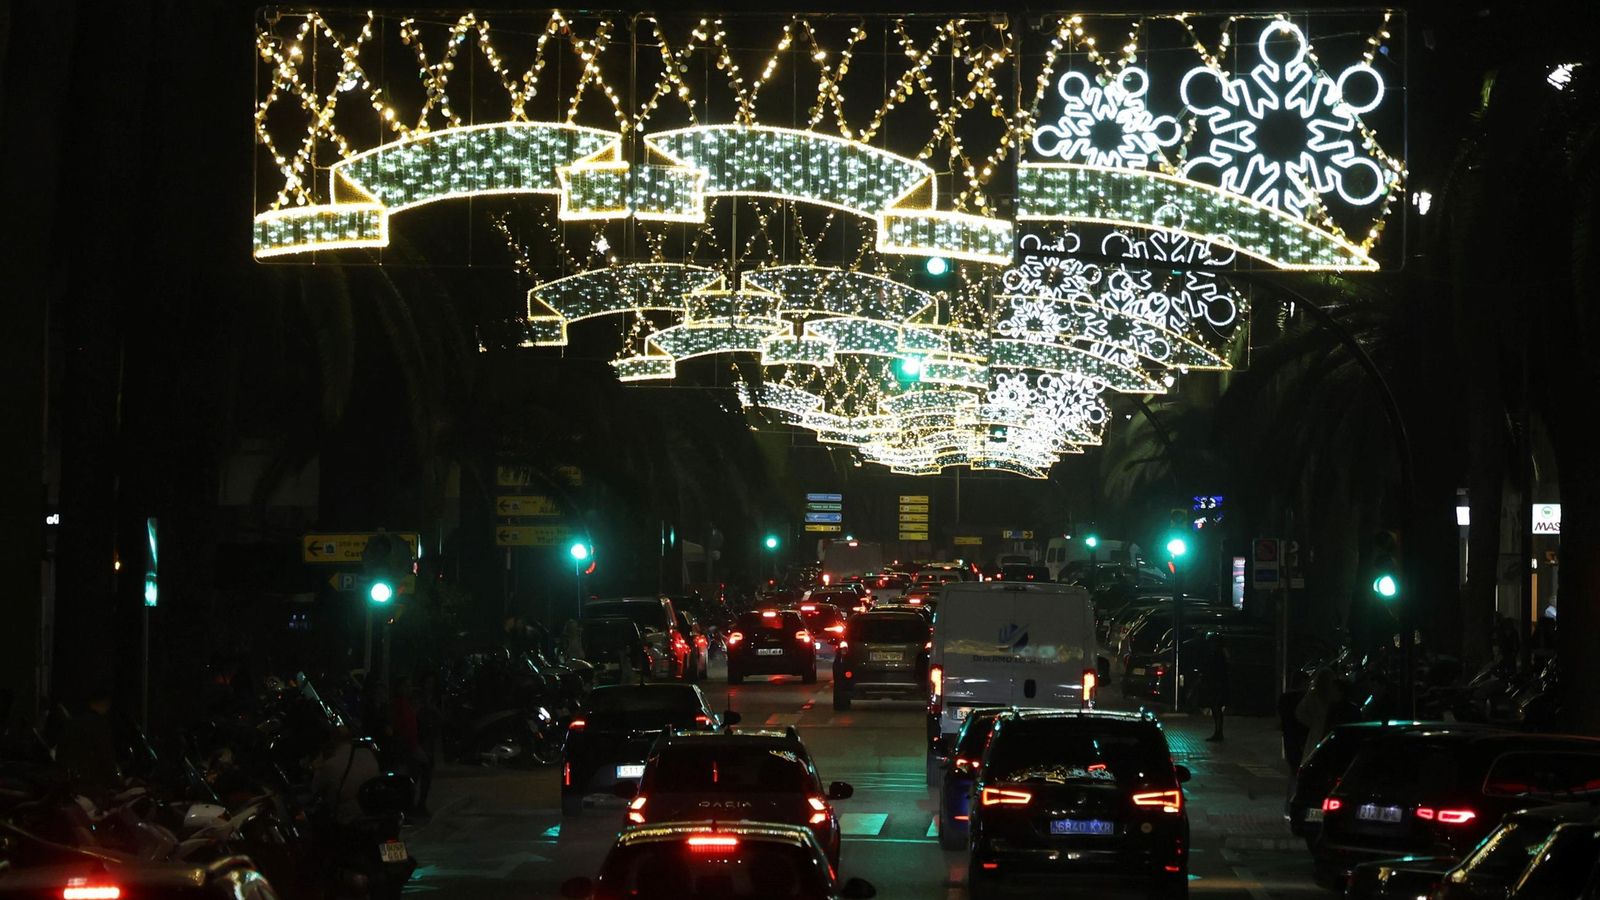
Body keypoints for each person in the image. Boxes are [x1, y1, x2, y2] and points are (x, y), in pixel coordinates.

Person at [310, 726, 382, 826]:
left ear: (331, 741)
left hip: (346, 819)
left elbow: (315, 789)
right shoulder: (368, 754)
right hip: (373, 812)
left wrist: (317, 765)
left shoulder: (330, 765)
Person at [1200, 633, 1230, 742]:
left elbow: (1216, 670)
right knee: (1215, 708)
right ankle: (1218, 732)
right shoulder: (1219, 654)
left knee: (1216, 708)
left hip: (1217, 684)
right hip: (1216, 684)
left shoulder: (1218, 655)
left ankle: (1218, 732)